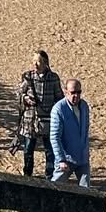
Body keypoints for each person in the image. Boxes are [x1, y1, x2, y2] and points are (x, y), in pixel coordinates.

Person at [17, 51, 62, 179]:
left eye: (39, 61)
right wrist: (25, 98)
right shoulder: (28, 77)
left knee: (50, 150)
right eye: (34, 61)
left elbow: (59, 98)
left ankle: (50, 177)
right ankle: (27, 176)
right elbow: (19, 92)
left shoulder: (53, 78)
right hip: (30, 120)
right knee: (28, 149)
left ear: (45, 63)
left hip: (48, 121)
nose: (35, 64)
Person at [48, 77, 90, 187]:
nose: (76, 96)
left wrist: (85, 151)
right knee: (55, 187)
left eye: (79, 92)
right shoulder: (58, 109)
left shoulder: (84, 106)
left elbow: (85, 130)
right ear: (65, 92)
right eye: (73, 92)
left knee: (86, 191)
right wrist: (61, 159)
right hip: (66, 159)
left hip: (82, 159)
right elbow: (54, 137)